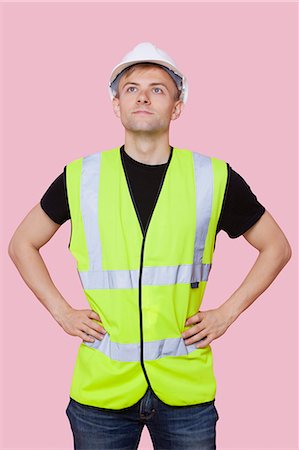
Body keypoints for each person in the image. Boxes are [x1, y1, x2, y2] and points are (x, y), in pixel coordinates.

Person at [8, 42, 292, 450]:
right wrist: (61, 311)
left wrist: (227, 314)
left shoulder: (212, 177)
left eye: (158, 89)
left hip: (185, 391)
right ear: (116, 105)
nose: (143, 96)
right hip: (101, 392)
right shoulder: (80, 177)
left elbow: (277, 247)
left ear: (177, 107)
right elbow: (22, 243)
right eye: (131, 88)